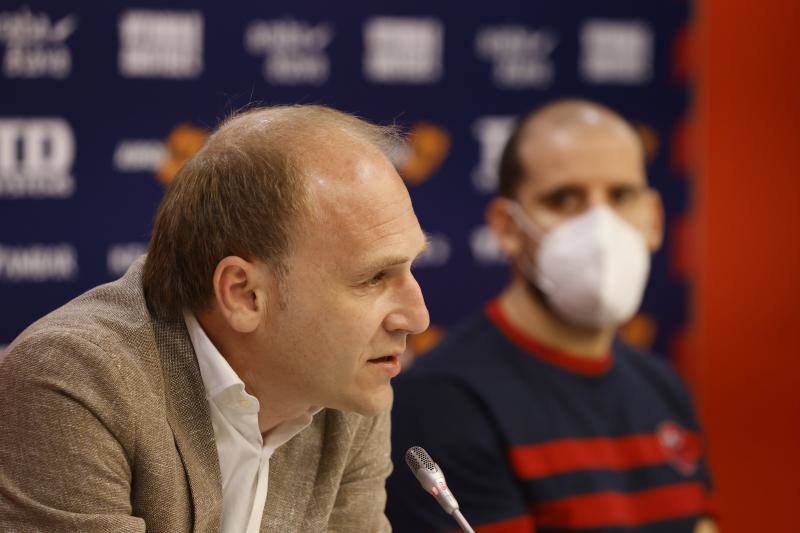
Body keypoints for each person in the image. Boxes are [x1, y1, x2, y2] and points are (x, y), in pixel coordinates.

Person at [0, 105, 430, 532]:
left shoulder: (346, 389)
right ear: (243, 295)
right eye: (373, 278)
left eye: (410, 268)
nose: (417, 318)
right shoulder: (77, 379)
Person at [387, 100, 717, 533]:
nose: (601, 227)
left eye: (621, 196)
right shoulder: (440, 401)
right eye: (564, 199)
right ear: (507, 227)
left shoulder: (662, 386)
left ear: (654, 219)